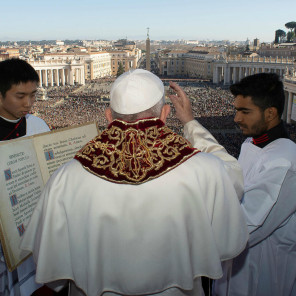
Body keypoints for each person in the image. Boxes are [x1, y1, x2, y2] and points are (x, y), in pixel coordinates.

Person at [21, 69, 248, 296]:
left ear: (109, 116)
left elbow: (53, 269)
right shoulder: (205, 169)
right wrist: (190, 123)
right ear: (165, 113)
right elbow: (229, 237)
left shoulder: (66, 177)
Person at [170, 73, 296, 296]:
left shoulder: (285, 161)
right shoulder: (251, 143)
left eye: (245, 111)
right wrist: (189, 123)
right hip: (234, 273)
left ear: (270, 113)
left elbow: (243, 227)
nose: (236, 118)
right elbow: (228, 178)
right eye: (236, 110)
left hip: (263, 277)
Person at [0, 58, 50, 295]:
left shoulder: (38, 125)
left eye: (33, 95)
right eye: (20, 96)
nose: (29, 103)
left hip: (31, 222)